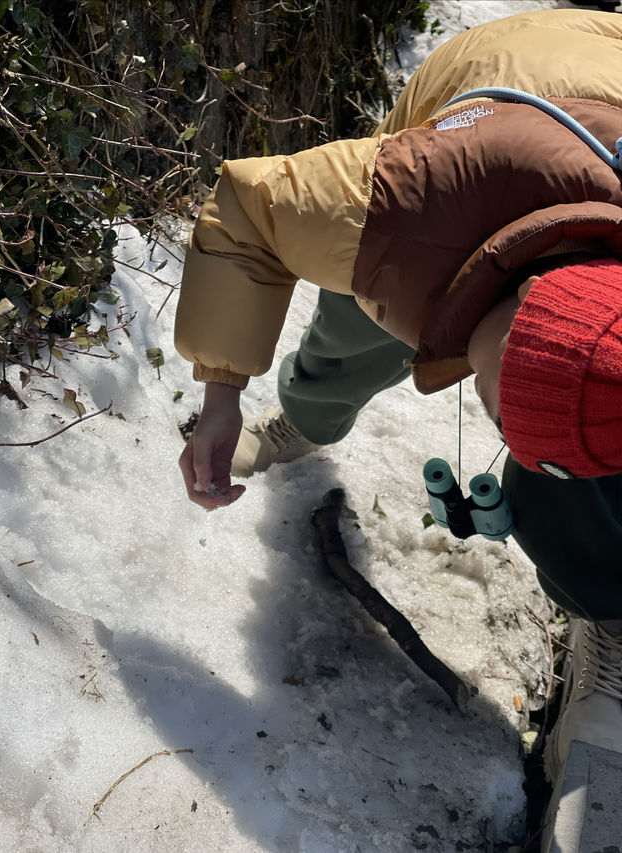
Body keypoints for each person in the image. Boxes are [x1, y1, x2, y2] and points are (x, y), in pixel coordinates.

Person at [174, 6, 622, 833]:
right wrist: (221, 393)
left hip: (608, 73)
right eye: (497, 406)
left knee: (594, 427)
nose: (496, 427)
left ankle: (608, 608)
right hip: (486, 90)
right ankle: (308, 418)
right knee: (357, 326)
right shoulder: (395, 207)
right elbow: (244, 212)